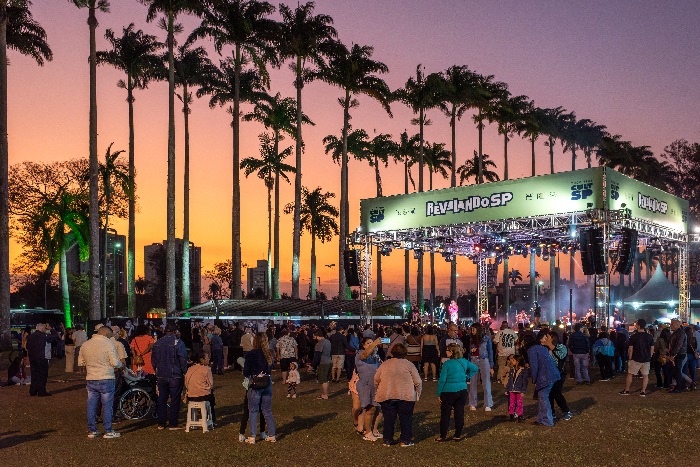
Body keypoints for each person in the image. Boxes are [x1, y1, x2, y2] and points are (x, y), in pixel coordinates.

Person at [78, 326, 122, 439]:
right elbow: (115, 362)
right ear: (106, 334)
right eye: (110, 335)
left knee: (91, 404)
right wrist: (120, 365)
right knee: (107, 405)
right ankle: (108, 430)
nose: (111, 337)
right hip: (106, 377)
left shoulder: (85, 344)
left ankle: (92, 430)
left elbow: (81, 362)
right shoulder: (108, 344)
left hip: (91, 377)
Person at [374, 343, 422, 447]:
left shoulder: (385, 364)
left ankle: (387, 439)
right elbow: (418, 381)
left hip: (387, 394)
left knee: (388, 419)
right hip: (405, 395)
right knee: (406, 418)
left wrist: (378, 389)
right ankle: (405, 440)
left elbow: (376, 379)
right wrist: (417, 393)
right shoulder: (409, 365)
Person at [435, 343, 478, 442]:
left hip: (448, 391)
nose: (446, 352)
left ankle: (443, 435)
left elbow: (442, 380)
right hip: (462, 390)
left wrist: (439, 393)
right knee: (459, 413)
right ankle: (457, 435)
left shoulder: (447, 364)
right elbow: (475, 369)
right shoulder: (464, 361)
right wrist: (466, 376)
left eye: (448, 350)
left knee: (445, 414)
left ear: (452, 352)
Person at [151, 323, 188, 430]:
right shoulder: (178, 343)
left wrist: (157, 370)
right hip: (175, 375)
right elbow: (182, 358)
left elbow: (153, 360)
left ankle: (161, 423)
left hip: (161, 374)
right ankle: (173, 423)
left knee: (162, 399)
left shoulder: (158, 343)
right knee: (175, 399)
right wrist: (184, 371)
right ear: (175, 331)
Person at [243, 332, 276, 444]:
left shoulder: (251, 354)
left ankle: (252, 436)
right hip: (267, 383)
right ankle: (272, 435)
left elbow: (246, 371)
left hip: (255, 383)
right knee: (267, 410)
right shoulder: (269, 354)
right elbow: (271, 368)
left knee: (253, 411)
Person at [527, 331, 560, 426]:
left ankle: (547, 420)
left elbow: (534, 366)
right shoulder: (543, 349)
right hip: (552, 374)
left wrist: (535, 379)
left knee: (543, 398)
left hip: (545, 376)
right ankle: (541, 419)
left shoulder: (533, 350)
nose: (546, 340)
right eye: (545, 338)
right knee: (543, 397)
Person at [355, 337, 383, 441]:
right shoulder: (360, 354)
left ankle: (375, 430)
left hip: (377, 385)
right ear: (363, 345)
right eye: (368, 343)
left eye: (372, 343)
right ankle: (368, 432)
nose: (371, 345)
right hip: (367, 386)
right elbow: (365, 355)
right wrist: (374, 343)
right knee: (370, 409)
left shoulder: (375, 356)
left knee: (380, 408)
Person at [619, 319, 655, 397]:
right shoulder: (649, 336)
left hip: (635, 358)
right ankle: (643, 391)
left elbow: (630, 349)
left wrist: (630, 358)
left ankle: (627, 390)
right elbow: (652, 348)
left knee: (630, 374)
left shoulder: (633, 336)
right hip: (646, 358)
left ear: (638, 325)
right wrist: (650, 356)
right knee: (645, 375)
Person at [542, 331, 572, 420]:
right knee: (549, 394)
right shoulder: (545, 348)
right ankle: (552, 413)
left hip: (559, 373)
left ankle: (566, 411)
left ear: (553, 338)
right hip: (548, 373)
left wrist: (550, 346)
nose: (546, 339)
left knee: (556, 393)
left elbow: (561, 356)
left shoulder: (561, 347)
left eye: (547, 337)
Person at [26, 323, 59, 397]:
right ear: (42, 329)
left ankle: (33, 390)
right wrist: (51, 329)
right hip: (42, 357)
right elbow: (56, 336)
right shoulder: (43, 336)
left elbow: (27, 346)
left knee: (34, 374)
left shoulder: (31, 336)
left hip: (33, 358)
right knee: (42, 375)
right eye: (44, 328)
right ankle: (41, 391)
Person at [467, 323, 494, 411]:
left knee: (486, 382)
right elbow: (468, 353)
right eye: (471, 329)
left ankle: (488, 404)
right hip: (474, 360)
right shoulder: (471, 339)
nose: (472, 331)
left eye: (473, 329)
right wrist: (471, 351)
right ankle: (472, 403)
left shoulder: (486, 338)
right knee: (473, 382)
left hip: (483, 359)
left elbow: (490, 351)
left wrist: (491, 365)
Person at [185, 352, 216, 425]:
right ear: (202, 360)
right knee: (211, 397)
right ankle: (212, 419)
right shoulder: (206, 369)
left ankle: (198, 416)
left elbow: (186, 383)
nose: (209, 359)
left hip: (191, 396)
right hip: (202, 396)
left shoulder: (190, 369)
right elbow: (210, 384)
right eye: (207, 358)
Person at [505, 354, 528, 422]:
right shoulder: (512, 370)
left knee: (519, 403)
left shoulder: (523, 371)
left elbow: (524, 381)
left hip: (519, 390)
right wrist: (507, 389)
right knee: (511, 403)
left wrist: (523, 391)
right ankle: (511, 415)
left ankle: (520, 415)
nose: (512, 361)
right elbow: (510, 380)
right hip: (512, 390)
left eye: (513, 360)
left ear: (517, 361)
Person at [668, 319, 687, 393]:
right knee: (674, 371)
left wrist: (673, 354)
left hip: (679, 354)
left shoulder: (680, 333)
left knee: (676, 371)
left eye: (672, 324)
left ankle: (679, 387)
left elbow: (678, 345)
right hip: (678, 354)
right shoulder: (677, 332)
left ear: (677, 324)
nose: (670, 325)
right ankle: (681, 385)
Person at [495, 321, 516, 387]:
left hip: (502, 353)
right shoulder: (512, 332)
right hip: (511, 352)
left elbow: (495, 342)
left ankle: (500, 379)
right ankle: (510, 378)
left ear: (502, 325)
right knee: (511, 366)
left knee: (501, 366)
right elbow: (516, 340)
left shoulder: (500, 332)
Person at [314, 330, 332, 399]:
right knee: (326, 379)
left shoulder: (320, 343)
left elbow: (318, 355)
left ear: (317, 336)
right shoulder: (328, 341)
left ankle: (325, 394)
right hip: (329, 361)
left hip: (323, 363)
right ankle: (325, 393)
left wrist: (313, 365)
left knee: (323, 379)